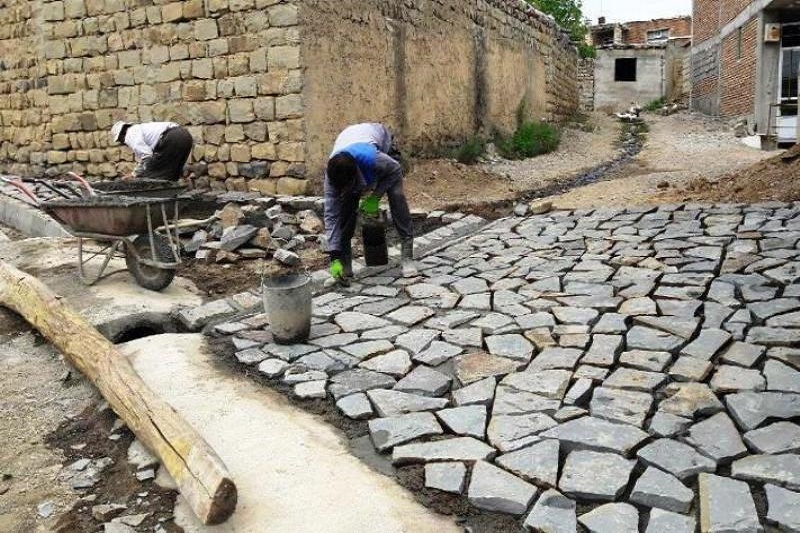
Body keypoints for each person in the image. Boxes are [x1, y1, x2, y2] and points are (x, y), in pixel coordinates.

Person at [324, 123, 416, 284]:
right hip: (351, 138)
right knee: (346, 209)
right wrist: (333, 256)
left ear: (356, 174)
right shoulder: (331, 177)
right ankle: (344, 266)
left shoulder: (373, 159)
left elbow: (395, 170)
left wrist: (375, 197)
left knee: (396, 196)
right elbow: (331, 215)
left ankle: (407, 257)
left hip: (378, 139)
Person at [110, 121, 193, 181]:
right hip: (185, 135)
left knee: (152, 175)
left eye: (120, 141)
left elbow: (147, 157)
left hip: (172, 138)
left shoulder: (130, 135)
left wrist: (134, 174)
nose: (123, 143)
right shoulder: (139, 128)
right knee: (172, 172)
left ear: (121, 135)